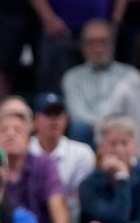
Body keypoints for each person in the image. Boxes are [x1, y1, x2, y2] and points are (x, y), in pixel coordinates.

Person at [0, 101, 69, 223]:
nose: (11, 134)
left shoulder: (44, 165)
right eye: (3, 130)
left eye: (17, 130)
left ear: (28, 140)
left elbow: (58, 208)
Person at [61, 19, 140, 136]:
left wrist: (116, 127)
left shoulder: (131, 75)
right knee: (79, 128)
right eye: (91, 42)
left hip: (125, 132)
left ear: (112, 44)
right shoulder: (72, 78)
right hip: (90, 132)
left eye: (103, 42)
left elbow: (135, 112)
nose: (98, 48)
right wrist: (104, 127)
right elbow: (77, 114)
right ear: (82, 46)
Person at [28, 93, 95, 221]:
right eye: (48, 114)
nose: (54, 119)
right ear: (34, 121)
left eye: (58, 114)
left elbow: (81, 198)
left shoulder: (82, 152)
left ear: (66, 120)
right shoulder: (25, 149)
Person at [79, 114, 140, 223]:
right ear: (101, 147)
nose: (119, 150)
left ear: (135, 146)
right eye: (113, 144)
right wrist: (122, 178)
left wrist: (122, 176)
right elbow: (117, 218)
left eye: (124, 143)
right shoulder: (89, 185)